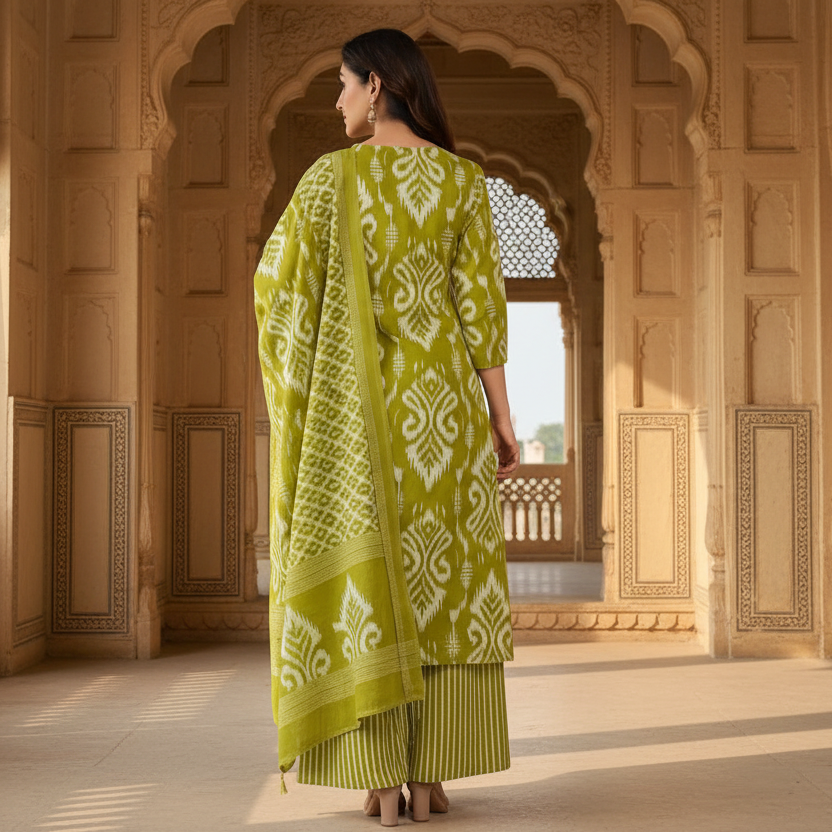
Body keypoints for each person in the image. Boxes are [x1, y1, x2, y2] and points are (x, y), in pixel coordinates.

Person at [254, 28, 519, 828]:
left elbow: (276, 295)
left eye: (341, 84)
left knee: (377, 589)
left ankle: (376, 775)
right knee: (443, 586)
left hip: (357, 428)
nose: (334, 100)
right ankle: (434, 776)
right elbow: (482, 313)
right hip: (443, 416)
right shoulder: (462, 184)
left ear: (376, 85)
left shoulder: (327, 183)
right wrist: (502, 421)